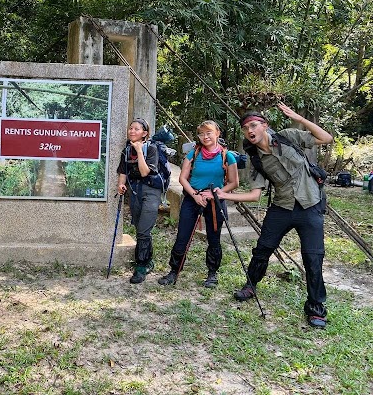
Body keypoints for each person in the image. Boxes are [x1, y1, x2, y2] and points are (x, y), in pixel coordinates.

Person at [214, 103, 333, 328]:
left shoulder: (288, 136)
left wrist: (299, 117)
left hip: (311, 205)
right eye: (245, 128)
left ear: (264, 126)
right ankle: (251, 284)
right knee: (263, 249)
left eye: (253, 125)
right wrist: (224, 196)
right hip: (282, 207)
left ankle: (316, 308)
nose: (249, 130)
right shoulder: (255, 158)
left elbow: (326, 138)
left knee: (313, 257)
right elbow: (254, 195)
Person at [158, 121, 239, 287]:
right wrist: (195, 195)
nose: (205, 137)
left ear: (218, 133)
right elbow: (182, 178)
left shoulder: (227, 155)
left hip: (215, 200)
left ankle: (212, 273)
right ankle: (174, 271)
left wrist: (214, 193)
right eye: (201, 134)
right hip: (192, 198)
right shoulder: (194, 154)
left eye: (209, 132)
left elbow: (234, 182)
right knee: (183, 235)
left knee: (213, 237)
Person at [117, 118, 163, 284]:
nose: (132, 131)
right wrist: (121, 184)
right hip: (135, 190)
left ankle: (141, 266)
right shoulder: (126, 150)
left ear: (145, 133)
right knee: (139, 227)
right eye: (131, 128)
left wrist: (139, 151)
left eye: (136, 129)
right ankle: (149, 260)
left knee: (143, 230)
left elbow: (144, 172)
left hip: (151, 191)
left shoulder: (151, 148)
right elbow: (123, 170)